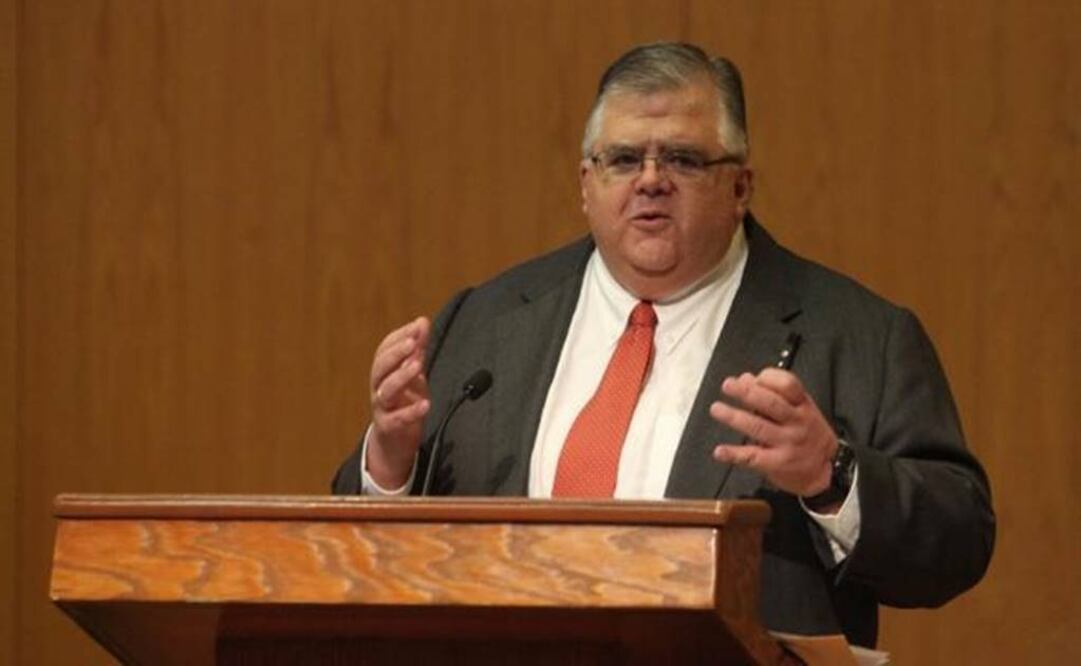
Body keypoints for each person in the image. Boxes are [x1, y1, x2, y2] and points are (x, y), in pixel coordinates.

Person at [332, 42, 994, 647]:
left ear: (739, 187)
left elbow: (956, 545)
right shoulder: (484, 321)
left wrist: (832, 476)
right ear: (585, 185)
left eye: (681, 158)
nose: (649, 180)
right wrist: (389, 468)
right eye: (623, 159)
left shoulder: (856, 335)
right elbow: (358, 554)